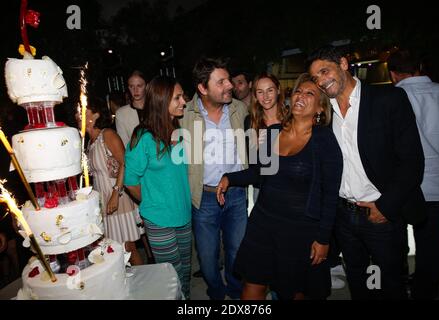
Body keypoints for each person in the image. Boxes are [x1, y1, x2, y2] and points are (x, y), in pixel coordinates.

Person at [307, 45, 426, 300]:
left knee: (391, 285)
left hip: (380, 215)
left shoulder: (388, 99)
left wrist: (385, 206)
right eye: (315, 77)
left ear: (343, 63)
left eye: (324, 71)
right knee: (358, 284)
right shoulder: (324, 113)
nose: (320, 81)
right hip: (344, 215)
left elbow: (412, 161)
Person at [217, 73, 342, 300]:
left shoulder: (324, 140)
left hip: (300, 231)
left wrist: (323, 239)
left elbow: (330, 195)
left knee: (293, 292)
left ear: (320, 108)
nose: (300, 96)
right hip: (263, 223)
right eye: (297, 91)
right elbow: (259, 173)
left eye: (309, 93)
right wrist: (229, 178)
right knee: (252, 285)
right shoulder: (274, 133)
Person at [180, 57, 248, 300]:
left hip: (237, 195)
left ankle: (235, 291)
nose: (229, 85)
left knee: (237, 251)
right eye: (221, 82)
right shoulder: (185, 114)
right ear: (202, 88)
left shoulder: (240, 109)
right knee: (208, 259)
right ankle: (217, 294)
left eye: (228, 79)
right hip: (204, 198)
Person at [388, 49, 439, 299]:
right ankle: (425, 290)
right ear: (419, 66)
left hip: (401, 186)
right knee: (430, 248)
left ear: (392, 74)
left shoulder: (392, 97)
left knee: (395, 243)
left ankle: (399, 284)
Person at [124, 76, 192, 299]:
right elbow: (130, 181)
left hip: (184, 214)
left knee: (185, 272)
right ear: (163, 101)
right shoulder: (142, 137)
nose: (184, 101)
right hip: (159, 219)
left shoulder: (178, 132)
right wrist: (154, 201)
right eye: (178, 97)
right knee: (170, 276)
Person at [84, 96, 144, 266]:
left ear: (95, 115)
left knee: (127, 248)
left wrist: (115, 193)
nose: (77, 114)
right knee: (113, 251)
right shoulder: (91, 142)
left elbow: (126, 162)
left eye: (82, 110)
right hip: (103, 202)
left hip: (117, 198)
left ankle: (146, 287)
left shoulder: (107, 135)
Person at [245, 72, 287, 203]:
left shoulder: (290, 119)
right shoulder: (250, 122)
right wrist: (256, 148)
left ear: (278, 90)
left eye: (270, 90)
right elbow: (252, 166)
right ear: (255, 95)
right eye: (260, 92)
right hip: (262, 189)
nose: (266, 97)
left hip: (287, 187)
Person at [115, 70, 147, 147]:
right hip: (136, 157)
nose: (135, 90)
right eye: (131, 86)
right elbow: (125, 145)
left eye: (139, 86)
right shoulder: (121, 113)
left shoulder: (157, 107)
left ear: (147, 86)